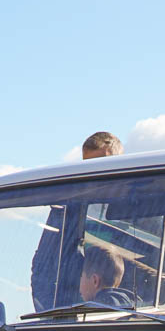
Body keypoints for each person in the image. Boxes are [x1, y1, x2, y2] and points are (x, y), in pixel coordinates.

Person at [30, 132, 123, 310]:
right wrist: (56, 317)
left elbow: (159, 278)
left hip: (128, 322)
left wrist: (119, 306)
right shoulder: (66, 207)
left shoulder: (143, 208)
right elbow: (42, 269)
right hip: (71, 322)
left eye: (102, 164)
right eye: (89, 165)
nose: (95, 173)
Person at [77, 244, 138, 309]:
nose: (78, 281)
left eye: (81, 276)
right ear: (118, 283)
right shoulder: (132, 304)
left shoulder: (97, 310)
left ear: (95, 281)